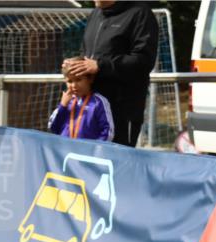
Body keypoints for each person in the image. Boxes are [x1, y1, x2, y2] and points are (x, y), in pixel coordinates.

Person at [63, 0, 158, 147]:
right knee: (90, 161)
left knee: (119, 163)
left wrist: (100, 65)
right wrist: (75, 64)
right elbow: (87, 54)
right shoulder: (95, 14)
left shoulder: (139, 13)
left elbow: (144, 61)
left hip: (122, 111)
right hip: (92, 108)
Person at [49, 56, 114, 141]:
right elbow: (53, 127)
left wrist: (96, 150)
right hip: (66, 150)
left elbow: (107, 132)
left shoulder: (99, 102)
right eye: (70, 81)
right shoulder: (66, 101)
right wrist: (62, 106)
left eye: (78, 79)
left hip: (88, 152)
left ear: (90, 79)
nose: (74, 85)